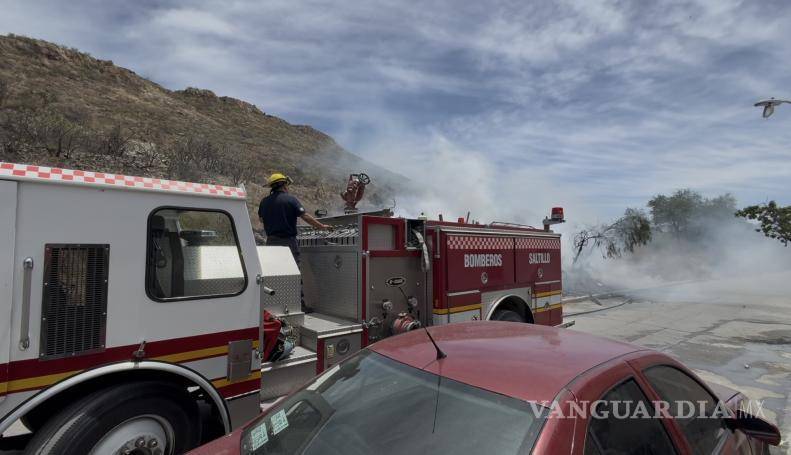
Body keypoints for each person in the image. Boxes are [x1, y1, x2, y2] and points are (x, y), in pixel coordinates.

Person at [258, 173, 330, 264]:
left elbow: (261, 219)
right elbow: (305, 216)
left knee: (274, 269)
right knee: (292, 270)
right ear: (283, 185)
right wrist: (321, 226)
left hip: (271, 242)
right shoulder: (290, 199)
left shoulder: (264, 202)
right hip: (288, 242)